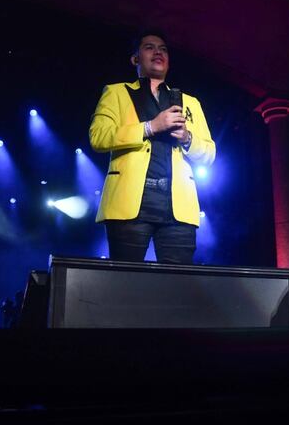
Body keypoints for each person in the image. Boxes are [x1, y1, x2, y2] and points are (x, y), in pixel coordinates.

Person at [89, 31, 216, 264]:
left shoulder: (190, 102)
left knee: (178, 286)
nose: (158, 52)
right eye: (149, 47)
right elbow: (98, 137)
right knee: (126, 281)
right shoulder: (116, 92)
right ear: (135, 59)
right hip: (130, 204)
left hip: (178, 206)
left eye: (163, 49)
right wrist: (150, 127)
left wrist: (187, 138)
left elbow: (209, 153)